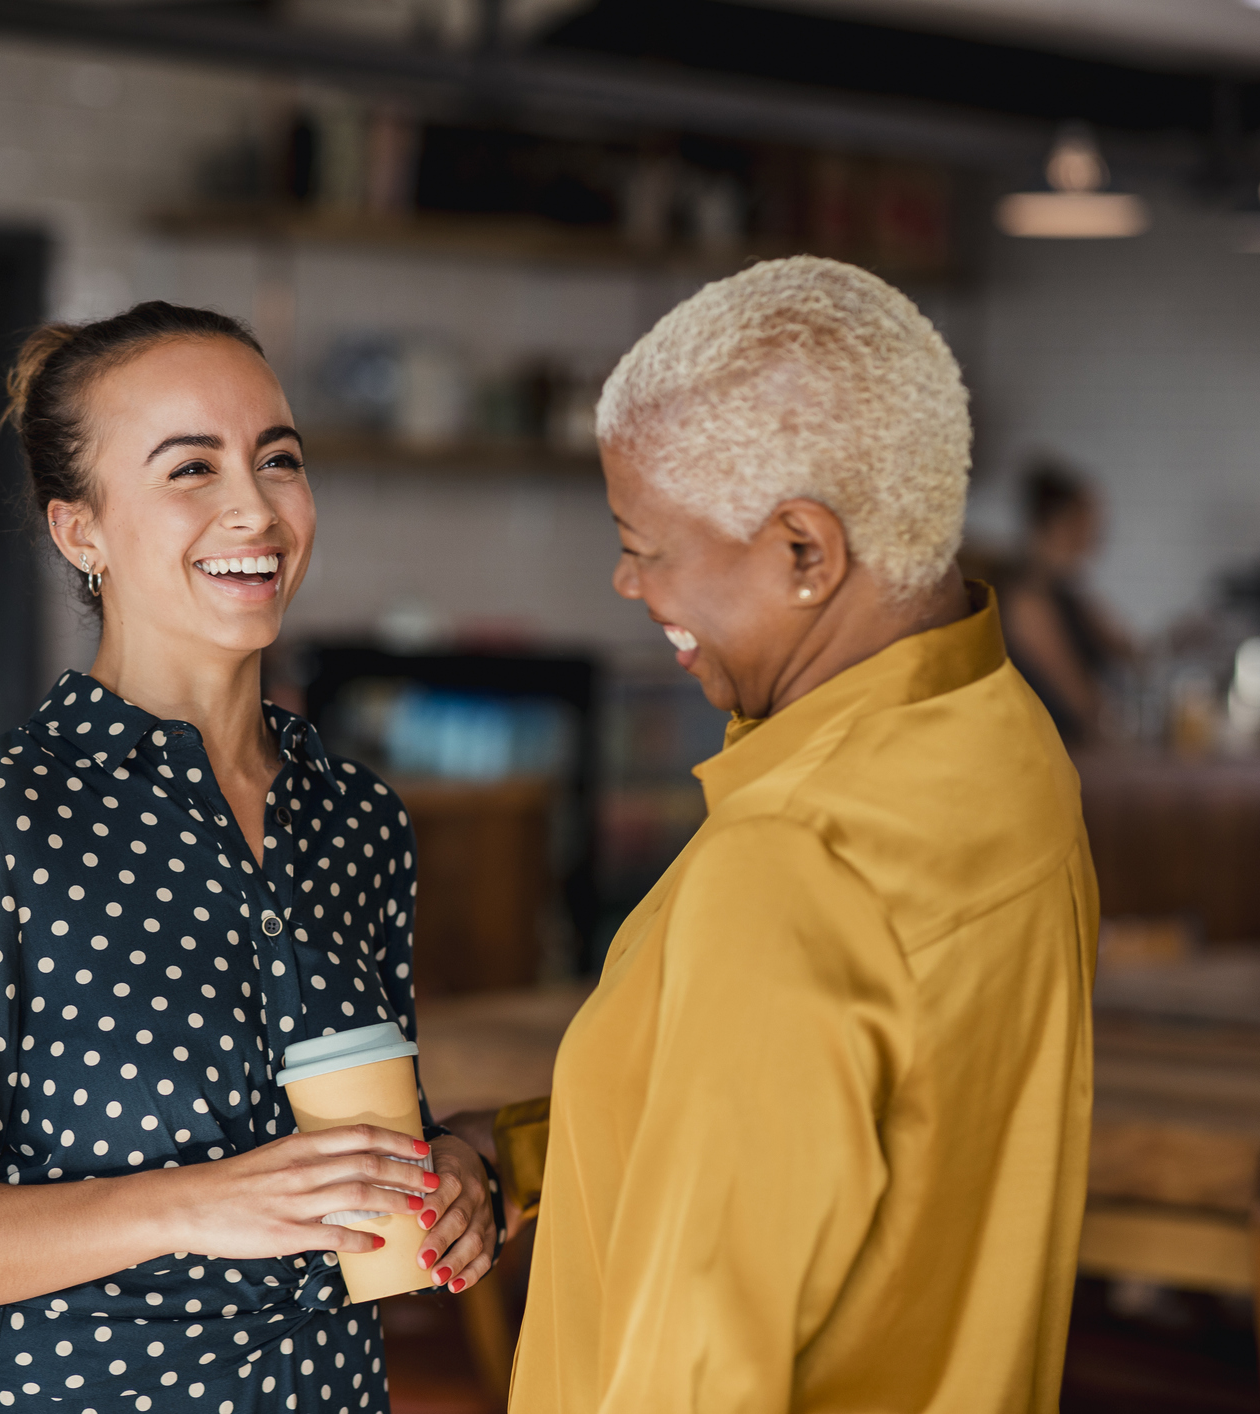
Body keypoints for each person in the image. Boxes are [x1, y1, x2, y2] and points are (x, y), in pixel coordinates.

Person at [0, 301, 499, 1414]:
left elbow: (366, 1129)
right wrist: (195, 1204)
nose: (253, 507)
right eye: (191, 468)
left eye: (280, 459)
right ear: (82, 531)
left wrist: (458, 1168)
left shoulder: (359, 821)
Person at [447, 258, 1097, 1412]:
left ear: (805, 551)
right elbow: (844, 1123)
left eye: (646, 541)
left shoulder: (794, 859)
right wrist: (531, 1153)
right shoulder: (1003, 742)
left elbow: (697, 1373)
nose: (627, 580)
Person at [1002, 460, 1132, 745]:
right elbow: (1082, 701)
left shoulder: (1070, 596)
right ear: (1056, 524)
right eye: (1085, 521)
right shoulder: (1029, 603)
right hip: (1049, 757)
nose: (1095, 535)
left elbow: (1132, 653)